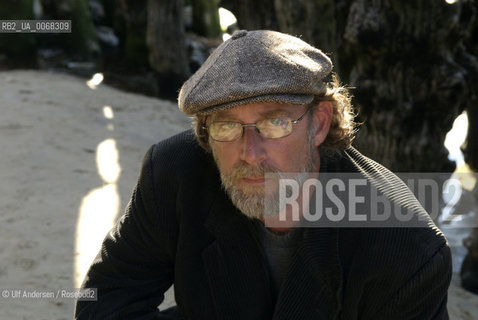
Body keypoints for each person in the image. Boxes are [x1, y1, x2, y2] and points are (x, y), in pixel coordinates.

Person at [74, 30, 452, 319]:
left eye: (275, 122)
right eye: (226, 127)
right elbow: (106, 298)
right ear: (206, 133)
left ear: (319, 124)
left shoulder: (406, 246)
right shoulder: (174, 172)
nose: (250, 153)